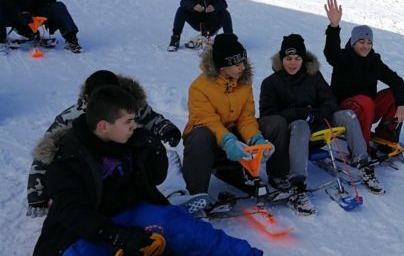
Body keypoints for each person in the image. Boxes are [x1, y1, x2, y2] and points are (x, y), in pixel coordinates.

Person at [32, 85, 263, 256]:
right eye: (129, 121)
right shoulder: (66, 157)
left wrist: (155, 151)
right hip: (82, 230)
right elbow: (71, 212)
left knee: (182, 226)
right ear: (103, 126)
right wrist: (113, 233)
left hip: (131, 212)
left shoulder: (129, 140)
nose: (135, 126)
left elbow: (155, 178)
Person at [26, 70, 182, 218]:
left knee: (168, 155)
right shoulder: (71, 118)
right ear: (88, 98)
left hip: (129, 166)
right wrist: (36, 194)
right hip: (95, 173)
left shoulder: (129, 105)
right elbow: (46, 151)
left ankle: (175, 192)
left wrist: (166, 129)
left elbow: (152, 119)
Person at [259, 34, 382, 214]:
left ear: (304, 59)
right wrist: (298, 113)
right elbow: (268, 115)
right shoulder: (270, 83)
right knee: (300, 124)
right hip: (294, 135)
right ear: (281, 59)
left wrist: (320, 112)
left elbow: (330, 99)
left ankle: (363, 163)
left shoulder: (313, 76)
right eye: (288, 58)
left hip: (317, 123)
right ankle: (297, 185)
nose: (292, 63)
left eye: (297, 58)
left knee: (348, 114)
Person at [182, 33, 271, 196]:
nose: (242, 67)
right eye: (237, 64)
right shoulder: (199, 87)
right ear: (222, 66)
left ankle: (260, 177)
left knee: (271, 124)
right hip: (208, 139)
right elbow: (207, 120)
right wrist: (227, 140)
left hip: (233, 137)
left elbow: (246, 117)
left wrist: (255, 138)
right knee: (200, 136)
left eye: (243, 62)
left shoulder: (243, 83)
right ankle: (195, 195)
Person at [323, 0, 404, 149]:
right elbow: (331, 53)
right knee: (365, 101)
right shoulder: (343, 57)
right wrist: (334, 26)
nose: (366, 46)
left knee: (392, 95)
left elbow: (397, 81)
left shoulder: (374, 61)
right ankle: (360, 147)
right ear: (353, 43)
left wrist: (401, 105)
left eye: (369, 43)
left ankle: (385, 138)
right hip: (345, 110)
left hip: (367, 110)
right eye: (361, 42)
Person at [168, 0, 233, 51]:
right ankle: (175, 38)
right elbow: (183, 2)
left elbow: (224, 3)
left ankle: (229, 39)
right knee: (181, 10)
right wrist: (193, 6)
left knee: (224, 12)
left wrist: (214, 7)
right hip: (199, 24)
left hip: (213, 23)